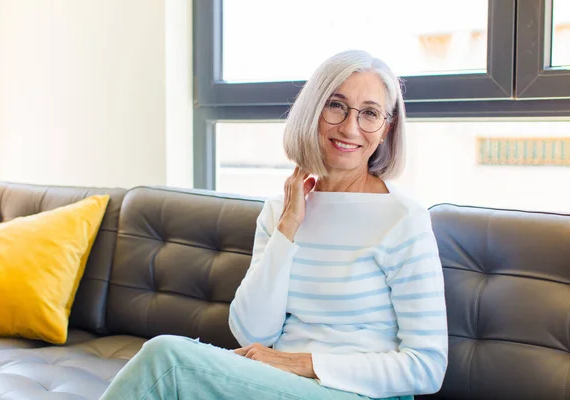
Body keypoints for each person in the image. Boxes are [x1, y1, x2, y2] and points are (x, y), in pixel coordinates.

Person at [100, 50, 448, 400]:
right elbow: (253, 332)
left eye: (370, 113)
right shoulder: (280, 211)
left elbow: (427, 366)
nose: (349, 127)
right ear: (313, 111)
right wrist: (287, 228)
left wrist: (301, 363)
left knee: (169, 362)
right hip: (278, 383)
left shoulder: (404, 218)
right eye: (336, 105)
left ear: (386, 128)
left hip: (359, 393)